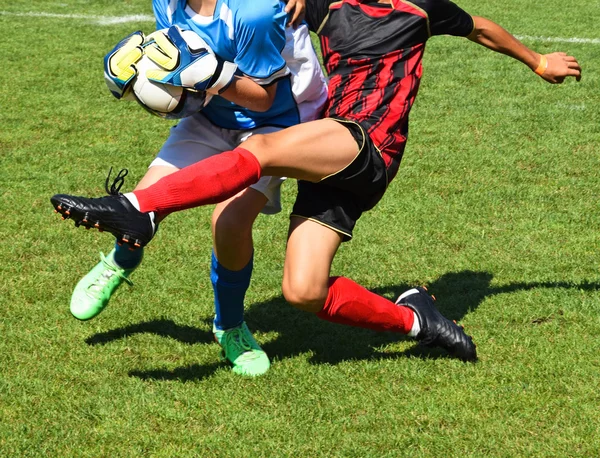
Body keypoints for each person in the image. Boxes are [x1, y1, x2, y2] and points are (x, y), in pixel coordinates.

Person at [52, 0, 582, 363]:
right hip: (330, 153)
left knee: (257, 154)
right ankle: (417, 319)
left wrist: (538, 61)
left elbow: (479, 26)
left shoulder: (420, 8)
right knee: (302, 292)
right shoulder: (327, 5)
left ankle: (140, 209)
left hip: (366, 142)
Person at [65, 0, 328, 377]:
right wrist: (144, 77)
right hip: (209, 120)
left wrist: (212, 76)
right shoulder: (167, 2)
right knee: (141, 204)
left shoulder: (252, 11)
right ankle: (120, 261)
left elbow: (265, 97)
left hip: (277, 123)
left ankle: (230, 326)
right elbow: (180, 79)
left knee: (230, 221)